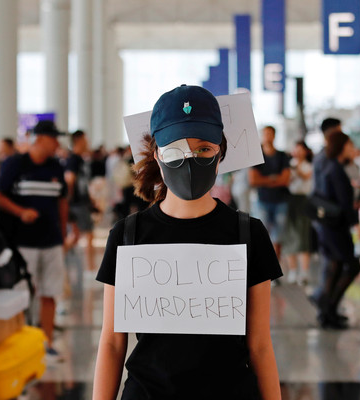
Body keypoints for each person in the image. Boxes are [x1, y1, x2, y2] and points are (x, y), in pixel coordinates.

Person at [93, 85, 282, 400]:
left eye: (203, 149)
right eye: (174, 150)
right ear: (156, 154)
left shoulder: (248, 234)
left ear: (221, 151)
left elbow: (260, 344)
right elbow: (112, 342)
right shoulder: (128, 236)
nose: (190, 160)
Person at [0, 120, 69, 360]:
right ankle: (23, 342)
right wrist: (20, 212)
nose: (57, 143)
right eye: (53, 138)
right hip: (23, 242)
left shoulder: (56, 167)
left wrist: (64, 232)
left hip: (51, 241)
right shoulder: (15, 164)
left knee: (50, 292)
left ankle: (46, 342)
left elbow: (62, 200)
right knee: (24, 293)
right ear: (39, 139)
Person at [312, 131, 360, 329]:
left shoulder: (327, 166)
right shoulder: (336, 170)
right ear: (342, 146)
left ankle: (328, 312)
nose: (352, 148)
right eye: (349, 145)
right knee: (351, 266)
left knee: (336, 267)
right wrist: (356, 222)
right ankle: (328, 308)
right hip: (337, 228)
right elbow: (344, 204)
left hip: (328, 226)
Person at [249, 126, 291, 260]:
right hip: (262, 200)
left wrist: (265, 180)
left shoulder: (282, 156)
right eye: (265, 133)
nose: (267, 136)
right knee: (262, 234)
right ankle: (264, 264)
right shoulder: (256, 155)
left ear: (274, 135)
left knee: (278, 236)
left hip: (281, 200)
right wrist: (274, 178)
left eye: (270, 133)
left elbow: (285, 179)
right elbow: (254, 180)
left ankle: (275, 265)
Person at [64, 130, 96, 275]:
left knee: (80, 235)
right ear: (78, 140)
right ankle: (89, 268)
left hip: (81, 202)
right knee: (85, 234)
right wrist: (68, 203)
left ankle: (89, 267)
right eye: (85, 139)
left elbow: (83, 183)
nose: (87, 142)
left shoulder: (80, 160)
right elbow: (69, 181)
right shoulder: (73, 160)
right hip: (76, 204)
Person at [283, 141, 313, 285]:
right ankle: (293, 270)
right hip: (289, 200)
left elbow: (307, 177)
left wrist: (296, 170)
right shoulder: (289, 164)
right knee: (289, 235)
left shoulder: (308, 165)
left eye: (301, 149)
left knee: (303, 235)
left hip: (303, 200)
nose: (299, 152)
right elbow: (286, 181)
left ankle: (304, 272)